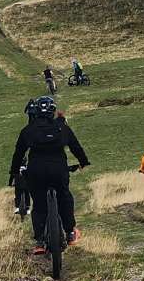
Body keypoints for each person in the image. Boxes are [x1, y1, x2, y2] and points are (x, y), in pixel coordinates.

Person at [10, 95, 91, 252]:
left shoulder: (28, 130)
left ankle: (40, 241)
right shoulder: (61, 128)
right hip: (58, 169)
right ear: (53, 111)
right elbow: (76, 146)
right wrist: (83, 162)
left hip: (36, 171)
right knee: (64, 197)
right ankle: (70, 233)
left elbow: (18, 153)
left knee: (39, 204)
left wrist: (14, 172)